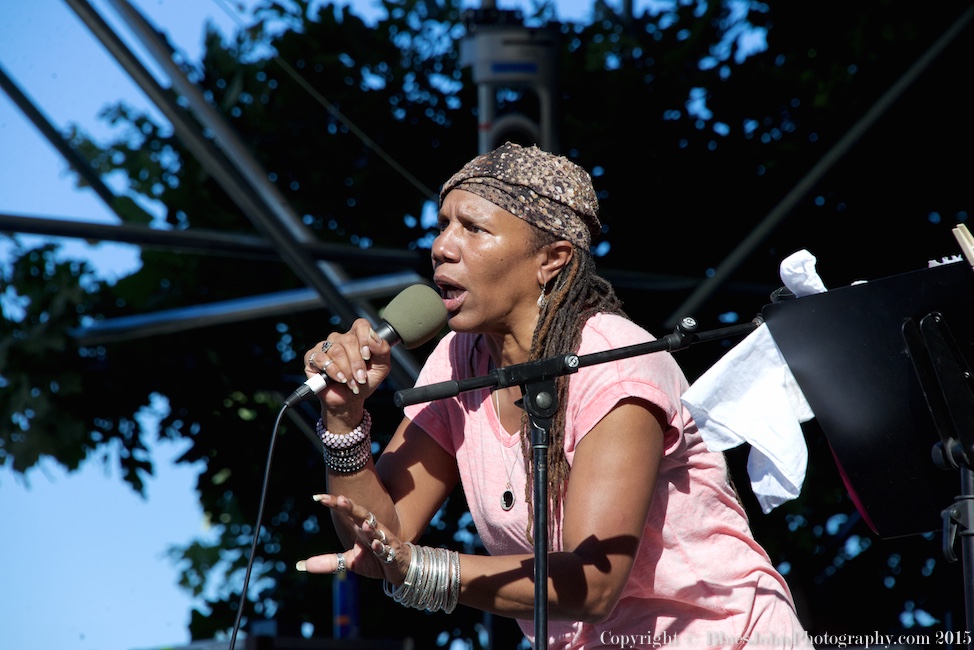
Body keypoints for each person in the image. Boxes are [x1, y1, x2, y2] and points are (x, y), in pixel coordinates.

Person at [295, 142, 811, 649]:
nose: (443, 246)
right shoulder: (460, 357)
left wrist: (425, 570)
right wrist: (344, 417)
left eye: (473, 227)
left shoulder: (615, 362)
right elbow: (381, 533)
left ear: (552, 259)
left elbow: (592, 583)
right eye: (443, 224)